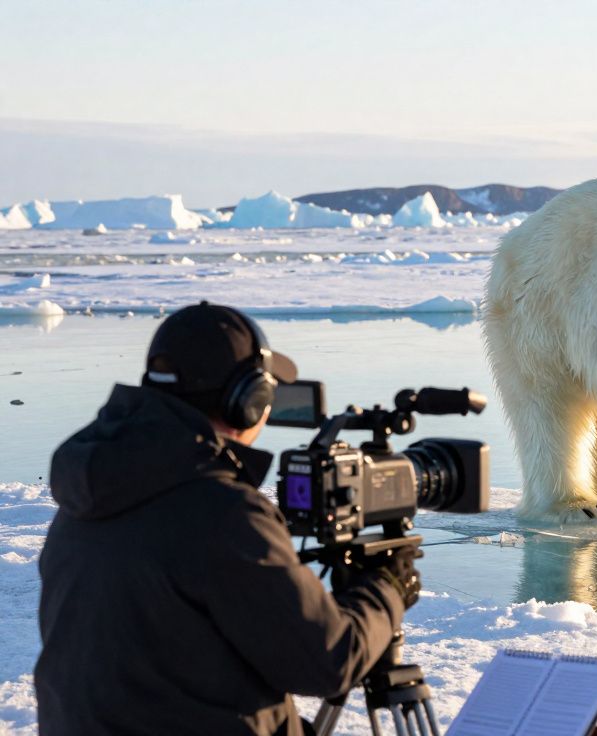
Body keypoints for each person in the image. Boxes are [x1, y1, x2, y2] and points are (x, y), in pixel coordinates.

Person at [36, 302, 422, 735]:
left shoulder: (91, 491)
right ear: (249, 400)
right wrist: (387, 589)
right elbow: (327, 662)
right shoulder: (222, 512)